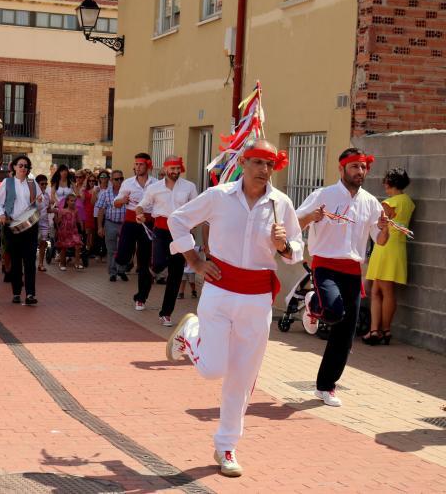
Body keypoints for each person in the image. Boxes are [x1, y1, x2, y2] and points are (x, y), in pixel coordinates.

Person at [166, 139, 303, 477]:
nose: (264, 170)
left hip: (258, 297)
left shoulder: (280, 203)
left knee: (241, 378)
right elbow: (178, 220)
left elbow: (298, 250)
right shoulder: (219, 196)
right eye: (257, 162)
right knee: (212, 369)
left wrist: (284, 245)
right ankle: (190, 332)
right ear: (243, 161)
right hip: (219, 289)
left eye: (270, 164)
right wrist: (195, 260)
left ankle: (226, 446)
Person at [297, 148, 389, 407]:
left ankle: (326, 387)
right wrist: (310, 217)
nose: (360, 172)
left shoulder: (371, 201)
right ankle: (314, 303)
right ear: (342, 169)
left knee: (345, 335)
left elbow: (379, 241)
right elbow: (295, 221)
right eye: (354, 167)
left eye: (363, 168)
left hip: (353, 269)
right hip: (325, 264)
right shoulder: (322, 195)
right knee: (334, 312)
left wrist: (384, 229)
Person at [137, 157, 198, 326]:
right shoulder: (154, 188)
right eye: (172, 168)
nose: (175, 172)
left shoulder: (189, 187)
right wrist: (139, 213)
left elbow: (196, 207)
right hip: (161, 230)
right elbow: (142, 205)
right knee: (158, 263)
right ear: (164, 169)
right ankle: (147, 279)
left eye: (178, 168)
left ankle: (166, 314)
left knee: (176, 274)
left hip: (181, 232)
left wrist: (192, 225)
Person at [364, 168, 414, 345]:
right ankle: (375, 330)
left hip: (385, 247)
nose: (384, 184)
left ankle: (384, 331)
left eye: (386, 181)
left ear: (390, 183)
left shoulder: (389, 203)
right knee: (378, 290)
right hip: (398, 247)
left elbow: (378, 226)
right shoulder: (407, 201)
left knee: (384, 290)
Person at [0, 155, 47, 305]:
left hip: (30, 226)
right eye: (21, 165)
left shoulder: (32, 183)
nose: (23, 168)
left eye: (26, 166)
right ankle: (16, 292)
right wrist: (1, 214)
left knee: (30, 261)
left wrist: (40, 201)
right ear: (14, 167)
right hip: (13, 225)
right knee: (16, 261)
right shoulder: (7, 182)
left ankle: (30, 294)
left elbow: (40, 205)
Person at [114, 153, 158, 311]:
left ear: (148, 166)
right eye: (136, 164)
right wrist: (122, 200)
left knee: (144, 264)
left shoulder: (156, 184)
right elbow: (116, 203)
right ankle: (125, 258)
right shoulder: (127, 183)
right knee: (122, 257)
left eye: (140, 164)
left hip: (148, 224)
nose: (137, 167)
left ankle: (141, 298)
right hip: (131, 223)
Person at [95, 170, 126, 281]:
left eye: (121, 178)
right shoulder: (105, 194)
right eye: (116, 179)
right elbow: (101, 211)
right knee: (111, 249)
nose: (119, 181)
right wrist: (100, 227)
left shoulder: (127, 193)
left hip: (124, 224)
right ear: (111, 180)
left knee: (123, 248)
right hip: (110, 223)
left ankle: (122, 271)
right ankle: (113, 272)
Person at [56, 194, 84, 271]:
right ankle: (62, 263)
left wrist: (82, 228)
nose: (73, 202)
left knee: (78, 245)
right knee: (63, 247)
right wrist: (58, 216)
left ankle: (77, 263)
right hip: (64, 231)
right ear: (67, 201)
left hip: (74, 231)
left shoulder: (76, 211)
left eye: (74, 201)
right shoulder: (63, 210)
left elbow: (79, 220)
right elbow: (58, 221)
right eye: (71, 201)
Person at [35, 174, 52, 272]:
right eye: (42, 184)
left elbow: (48, 209)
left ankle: (41, 264)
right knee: (32, 244)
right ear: (37, 184)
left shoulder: (46, 195)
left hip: (44, 222)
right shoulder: (33, 194)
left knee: (43, 243)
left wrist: (56, 210)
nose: (44, 186)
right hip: (33, 222)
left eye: (46, 184)